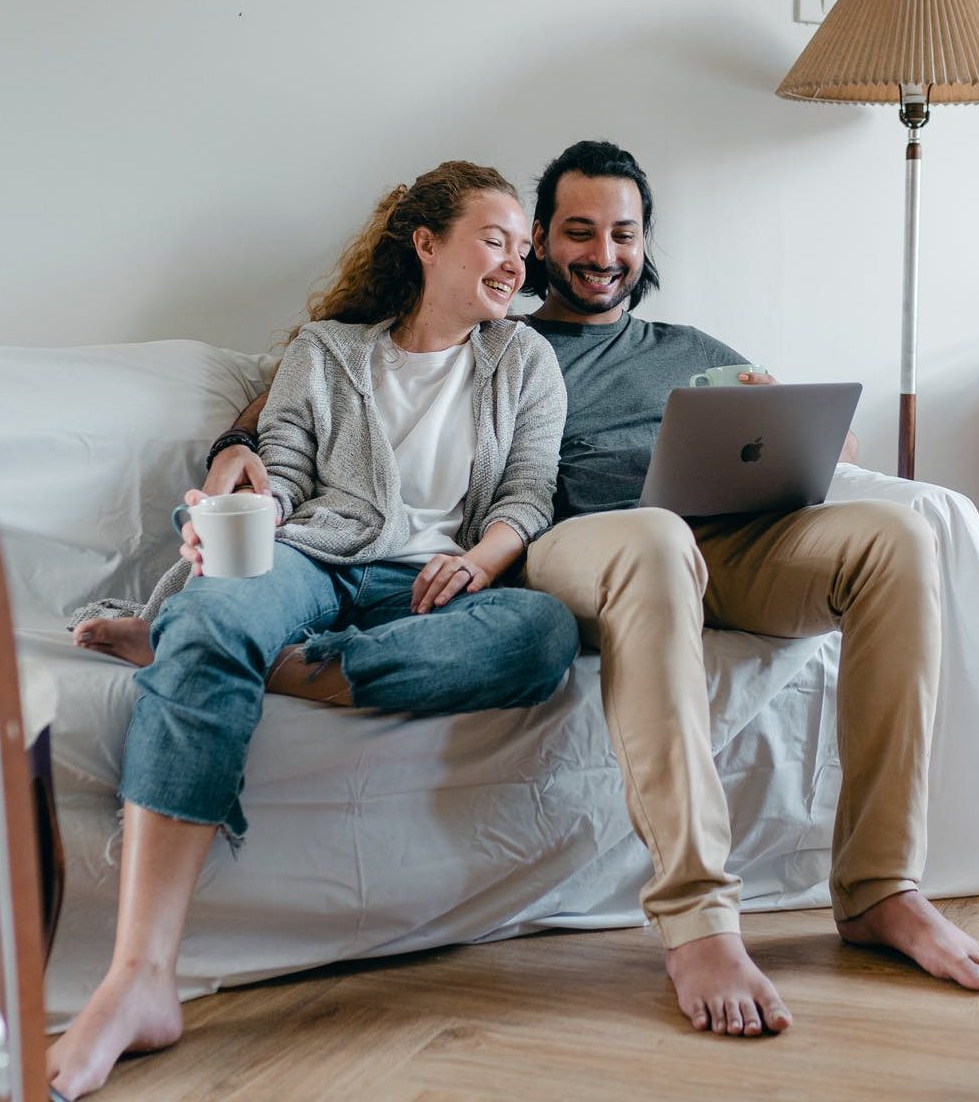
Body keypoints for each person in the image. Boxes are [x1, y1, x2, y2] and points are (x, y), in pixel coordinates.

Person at [202, 140, 979, 1041]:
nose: (603, 252)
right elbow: (325, 382)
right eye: (578, 232)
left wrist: (782, 416)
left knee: (899, 533)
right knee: (656, 537)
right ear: (538, 241)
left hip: (726, 539)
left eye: (623, 233)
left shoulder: (688, 346)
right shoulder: (500, 336)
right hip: (579, 545)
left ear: (645, 241)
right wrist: (229, 446)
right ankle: (699, 917)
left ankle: (880, 887)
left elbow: (832, 450)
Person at [48, 161, 580, 1099]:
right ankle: (139, 980)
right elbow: (283, 469)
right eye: (495, 239)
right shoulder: (330, 351)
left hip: (438, 581)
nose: (515, 261)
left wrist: (487, 560)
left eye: (522, 247)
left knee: (540, 633)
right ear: (427, 244)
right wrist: (240, 490)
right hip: (316, 556)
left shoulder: (525, 359)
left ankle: (248, 659)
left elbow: (529, 492)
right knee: (220, 604)